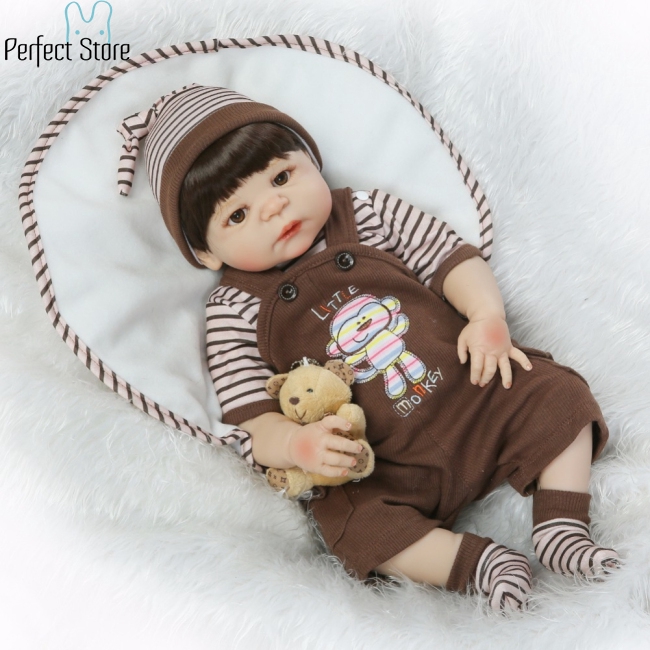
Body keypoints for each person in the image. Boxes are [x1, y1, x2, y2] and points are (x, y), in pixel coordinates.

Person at [116, 83, 621, 613]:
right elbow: (252, 420)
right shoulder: (233, 310)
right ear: (204, 252)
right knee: (352, 527)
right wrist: (298, 446)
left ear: (310, 159)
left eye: (281, 177)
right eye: (237, 215)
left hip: (472, 395)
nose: (274, 206)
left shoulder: (366, 212)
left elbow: (451, 258)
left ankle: (562, 526)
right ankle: (477, 565)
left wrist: (485, 316)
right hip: (380, 465)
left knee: (557, 393)